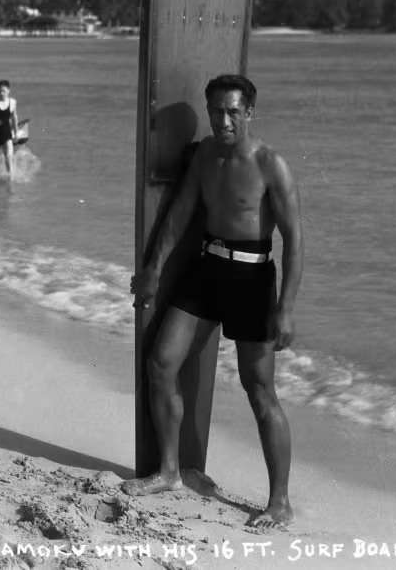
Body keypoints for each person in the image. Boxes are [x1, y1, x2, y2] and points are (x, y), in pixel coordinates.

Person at [126, 74, 303, 531]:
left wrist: (286, 309)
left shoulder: (271, 164)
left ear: (249, 113)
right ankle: (169, 471)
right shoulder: (205, 154)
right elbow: (181, 212)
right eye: (216, 112)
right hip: (207, 269)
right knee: (161, 362)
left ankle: (279, 502)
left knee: (260, 390)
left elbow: (295, 241)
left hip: (251, 277)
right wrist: (154, 268)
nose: (222, 120)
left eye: (232, 112)